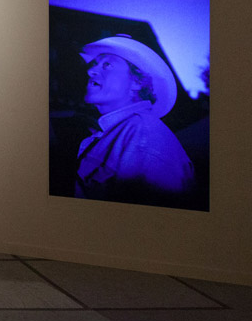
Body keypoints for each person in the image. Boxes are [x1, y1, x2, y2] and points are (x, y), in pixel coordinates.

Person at [75, 34, 194, 207]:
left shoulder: (143, 138)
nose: (90, 70)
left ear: (137, 82)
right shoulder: (123, 131)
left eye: (107, 64)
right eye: (95, 64)